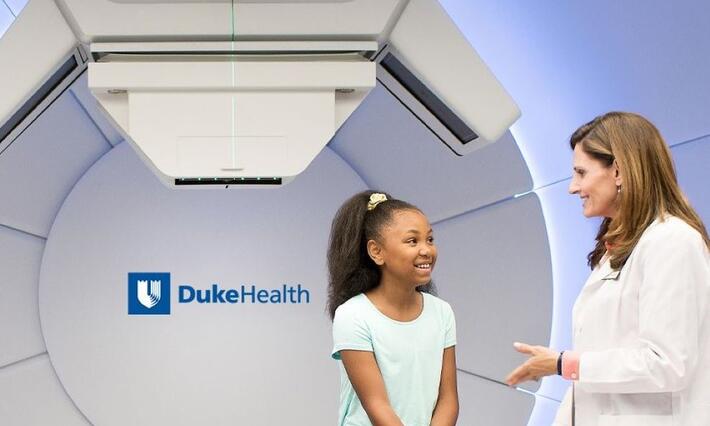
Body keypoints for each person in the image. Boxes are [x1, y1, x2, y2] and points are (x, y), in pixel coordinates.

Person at [505, 112, 710, 426]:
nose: (573, 188)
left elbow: (667, 364)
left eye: (581, 173)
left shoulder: (673, 241)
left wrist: (564, 363)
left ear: (617, 170)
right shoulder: (618, 249)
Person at [327, 190, 458, 426]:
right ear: (376, 251)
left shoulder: (442, 312)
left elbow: (448, 399)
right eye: (412, 241)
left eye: (430, 239)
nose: (426, 249)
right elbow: (378, 407)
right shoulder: (353, 316)